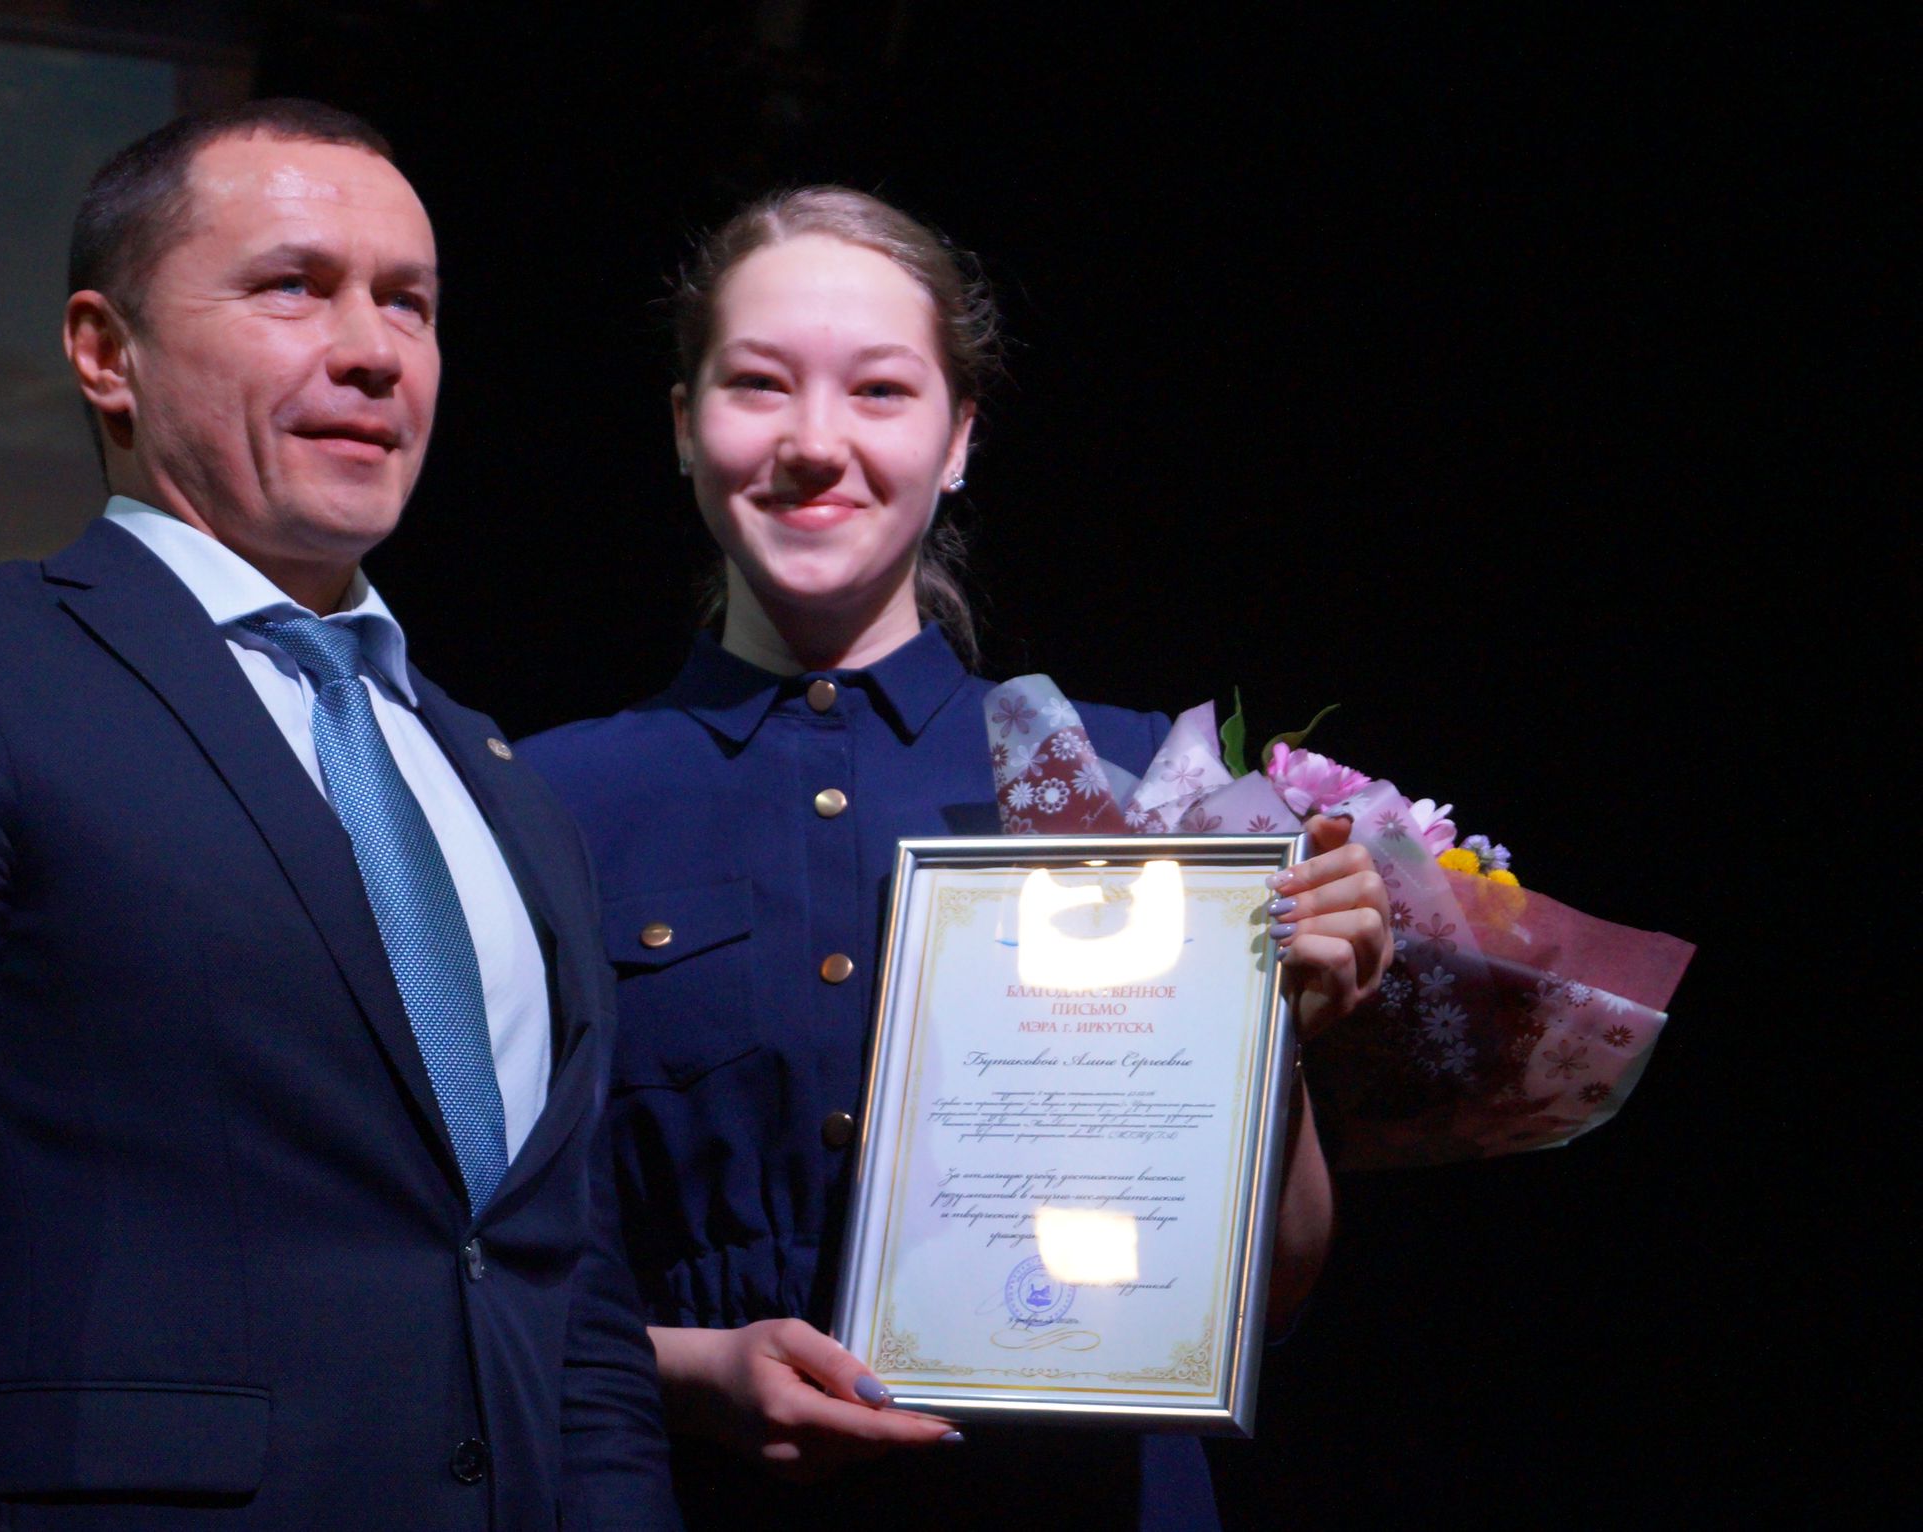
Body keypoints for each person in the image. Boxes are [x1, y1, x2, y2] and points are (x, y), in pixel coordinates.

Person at [0, 100, 677, 1531]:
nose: (373, 348)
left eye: (409, 303)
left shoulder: (495, 778)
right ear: (107, 352)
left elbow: (570, 1300)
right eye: (294, 286)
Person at [521, 187, 1391, 1529]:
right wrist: (684, 1374)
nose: (816, 443)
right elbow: (483, 1279)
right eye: (758, 385)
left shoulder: (1143, 786)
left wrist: (1282, 1043)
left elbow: (1263, 1296)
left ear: (960, 435)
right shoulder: (543, 802)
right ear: (684, 423)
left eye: (879, 390)